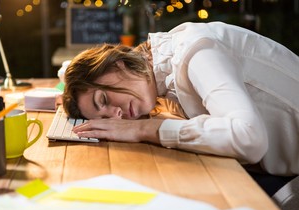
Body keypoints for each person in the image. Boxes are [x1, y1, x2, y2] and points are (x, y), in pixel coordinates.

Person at [62, 21, 299, 196]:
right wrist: (71, 93)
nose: (117, 116)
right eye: (105, 118)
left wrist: (146, 129)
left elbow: (249, 139)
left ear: (116, 64)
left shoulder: (193, 52)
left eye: (103, 100)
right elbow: (68, 70)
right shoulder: (160, 65)